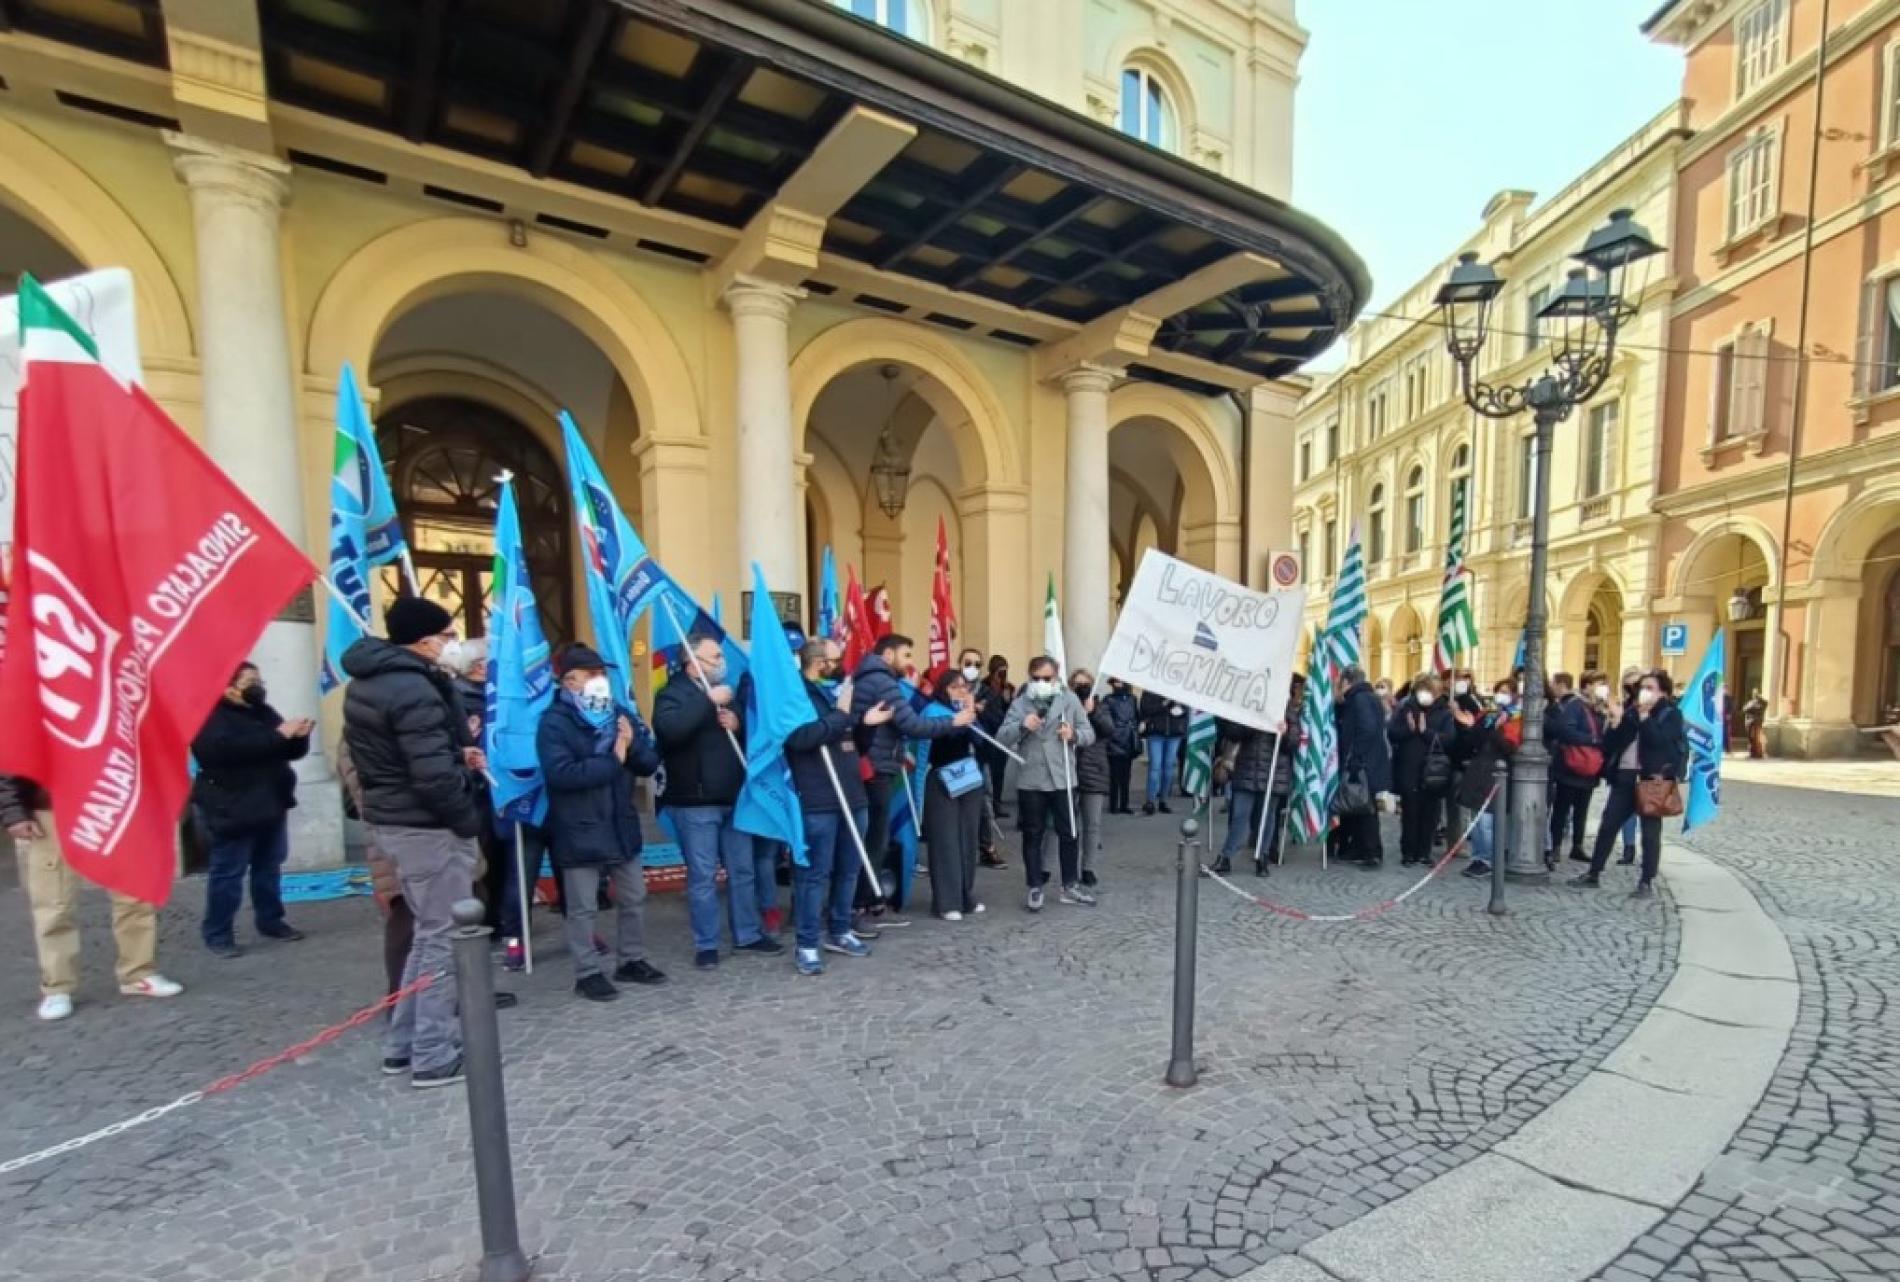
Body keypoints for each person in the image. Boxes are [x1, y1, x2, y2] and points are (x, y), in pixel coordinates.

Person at [342, 596, 486, 1088]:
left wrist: (454, 753)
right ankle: (432, 1052)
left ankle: (404, 1046)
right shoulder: (412, 689)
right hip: (425, 825)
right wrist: (466, 817)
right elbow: (429, 775)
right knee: (445, 939)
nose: (453, 645)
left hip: (400, 819)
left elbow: (412, 755)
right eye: (448, 636)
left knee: (428, 937)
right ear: (425, 641)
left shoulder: (375, 680)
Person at [537, 643, 667, 1001]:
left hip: (619, 821)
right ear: (571, 681)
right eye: (593, 675)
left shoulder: (616, 712)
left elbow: (646, 762)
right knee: (582, 906)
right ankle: (588, 972)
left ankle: (632, 959)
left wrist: (632, 744)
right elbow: (561, 774)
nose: (601, 681)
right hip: (579, 825)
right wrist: (615, 758)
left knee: (634, 896)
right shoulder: (555, 722)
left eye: (602, 675)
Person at [3, 774, 184, 1022]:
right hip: (53, 809)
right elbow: (13, 759)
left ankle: (138, 972)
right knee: (54, 904)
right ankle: (57, 987)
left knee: (135, 895)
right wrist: (15, 812)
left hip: (115, 803)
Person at [655, 633, 782, 968]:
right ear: (692, 663)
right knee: (703, 876)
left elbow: (744, 734)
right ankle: (707, 943)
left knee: (742, 871)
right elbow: (670, 731)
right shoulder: (672, 694)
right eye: (714, 657)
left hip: (734, 797)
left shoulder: (726, 695)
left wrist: (736, 721)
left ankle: (748, 934)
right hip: (695, 802)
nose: (721, 663)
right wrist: (707, 702)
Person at [851, 634, 976, 922]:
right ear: (888, 655)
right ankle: (860, 902)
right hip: (877, 768)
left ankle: (865, 899)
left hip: (880, 763)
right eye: (906, 655)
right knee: (874, 840)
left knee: (874, 838)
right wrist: (952, 722)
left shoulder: (873, 678)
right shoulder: (882, 681)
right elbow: (911, 723)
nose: (910, 663)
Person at [191, 662, 312, 958]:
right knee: (228, 872)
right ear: (228, 686)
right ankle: (218, 932)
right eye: (250, 681)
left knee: (269, 866)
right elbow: (221, 751)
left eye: (259, 679)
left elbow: (284, 749)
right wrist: (279, 736)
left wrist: (299, 737)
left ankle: (271, 920)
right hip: (232, 805)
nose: (258, 686)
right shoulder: (208, 715)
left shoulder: (262, 711)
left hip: (270, 800)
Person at [786, 639, 893, 975]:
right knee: (814, 875)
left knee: (848, 869)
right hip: (819, 796)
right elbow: (802, 738)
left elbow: (852, 743)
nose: (843, 664)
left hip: (851, 791)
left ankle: (840, 928)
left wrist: (865, 725)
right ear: (818, 662)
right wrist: (842, 714)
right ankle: (806, 943)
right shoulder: (796, 694)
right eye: (836, 659)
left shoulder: (838, 692)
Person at [1571, 669, 1687, 898]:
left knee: (1650, 832)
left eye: (1650, 688)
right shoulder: (1632, 712)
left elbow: (1659, 742)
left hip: (1651, 780)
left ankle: (1646, 881)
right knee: (1608, 825)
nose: (1645, 693)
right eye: (1642, 688)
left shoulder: (1671, 714)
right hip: (1625, 777)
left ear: (1662, 692)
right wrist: (1615, 722)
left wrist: (1645, 719)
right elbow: (1610, 745)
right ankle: (1594, 872)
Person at [999, 656, 1097, 910]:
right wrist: (1023, 726)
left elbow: (1089, 734)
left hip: (1063, 777)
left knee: (1069, 833)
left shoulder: (1069, 700)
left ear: (1057, 677)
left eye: (1047, 678)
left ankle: (1069, 885)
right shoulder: (1022, 702)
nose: (1042, 682)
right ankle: (1034, 885)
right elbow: (1002, 737)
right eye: (1037, 678)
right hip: (1031, 779)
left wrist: (1073, 735)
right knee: (1033, 834)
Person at [922, 667, 987, 921]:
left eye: (965, 686)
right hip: (941, 779)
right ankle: (946, 901)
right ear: (943, 690)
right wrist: (959, 719)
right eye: (955, 686)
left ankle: (965, 895)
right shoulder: (933, 711)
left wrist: (971, 715)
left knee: (967, 838)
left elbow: (982, 741)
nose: (961, 690)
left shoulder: (967, 714)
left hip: (967, 777)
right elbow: (941, 736)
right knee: (945, 841)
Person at [1388, 672, 1456, 867]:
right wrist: (1408, 730)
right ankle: (1408, 852)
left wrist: (1426, 733)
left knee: (1430, 813)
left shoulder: (1444, 713)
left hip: (1433, 770)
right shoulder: (1406, 709)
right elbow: (1392, 733)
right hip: (1409, 767)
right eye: (1423, 690)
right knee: (1410, 812)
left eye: (1430, 691)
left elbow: (1449, 740)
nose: (1426, 694)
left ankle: (1424, 852)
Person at [1335, 665, 1393, 868]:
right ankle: (1360, 848)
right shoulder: (1368, 697)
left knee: (1366, 808)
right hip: (1369, 762)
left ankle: (1372, 852)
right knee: (1360, 806)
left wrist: (1355, 756)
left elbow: (1367, 729)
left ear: (1346, 682)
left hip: (1363, 764)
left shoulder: (1359, 699)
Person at [1461, 680, 1519, 880]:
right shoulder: (1487, 714)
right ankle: (1478, 856)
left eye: (1505, 691)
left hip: (1499, 773)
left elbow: (1510, 749)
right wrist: (1470, 727)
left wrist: (1498, 729)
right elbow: (1473, 743)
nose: (1500, 695)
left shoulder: (1517, 718)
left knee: (1488, 819)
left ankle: (1489, 859)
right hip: (1480, 770)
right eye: (1498, 691)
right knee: (1477, 819)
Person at [1546, 671, 1604, 866]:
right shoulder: (1576, 706)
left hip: (1590, 767)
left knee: (1582, 809)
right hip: (1572, 765)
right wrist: (1593, 740)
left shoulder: (1598, 708)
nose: (1601, 688)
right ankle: (1554, 846)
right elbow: (1566, 731)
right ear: (1586, 686)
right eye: (1598, 683)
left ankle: (1577, 845)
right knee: (1562, 808)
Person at [1213, 715, 1280, 877]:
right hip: (1245, 769)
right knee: (1239, 817)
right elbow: (1232, 732)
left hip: (1272, 771)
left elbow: (1292, 742)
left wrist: (1285, 731)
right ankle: (1226, 857)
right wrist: (1253, 724)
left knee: (1267, 819)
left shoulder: (1283, 709)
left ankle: (1262, 857)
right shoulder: (1247, 710)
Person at [959, 646, 1008, 867]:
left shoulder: (989, 693)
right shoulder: (950, 689)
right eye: (967, 663)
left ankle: (987, 847)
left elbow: (997, 722)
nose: (972, 668)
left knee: (984, 803)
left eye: (977, 664)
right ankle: (957, 849)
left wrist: (980, 711)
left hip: (979, 757)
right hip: (954, 757)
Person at [1069, 669, 1115, 889]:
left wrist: (1093, 711)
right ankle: (1052, 866)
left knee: (1092, 824)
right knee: (1064, 823)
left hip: (1093, 771)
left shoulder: (1102, 706)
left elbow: (1109, 729)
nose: (1081, 688)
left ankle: (1088, 868)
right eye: (1077, 684)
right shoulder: (1065, 705)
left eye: (1086, 684)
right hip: (1068, 771)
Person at [1137, 688, 1187, 814]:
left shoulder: (1180, 689)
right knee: (1155, 766)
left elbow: (1185, 710)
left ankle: (1164, 800)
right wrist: (1164, 703)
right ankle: (1151, 801)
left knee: (1168, 767)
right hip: (1156, 732)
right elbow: (1145, 708)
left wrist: (1179, 706)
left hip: (1174, 732)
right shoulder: (1151, 689)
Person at [980, 655, 1016, 817]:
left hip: (1002, 734)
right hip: (988, 733)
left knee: (999, 771)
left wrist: (1008, 699)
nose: (1002, 675)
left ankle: (997, 802)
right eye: (999, 672)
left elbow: (1011, 712)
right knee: (988, 771)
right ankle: (987, 804)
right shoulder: (983, 687)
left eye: (1005, 671)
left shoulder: (1008, 688)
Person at [1100, 678, 1140, 815]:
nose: (1117, 685)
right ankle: (1113, 805)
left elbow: (1136, 716)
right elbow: (1105, 719)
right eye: (1115, 682)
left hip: (1129, 739)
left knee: (1126, 775)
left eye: (1120, 682)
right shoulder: (1108, 699)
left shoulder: (1132, 699)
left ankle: (1124, 804)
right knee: (1114, 775)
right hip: (1114, 739)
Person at [1743, 689, 1768, 759]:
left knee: (1757, 739)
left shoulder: (1762, 703)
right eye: (1754, 694)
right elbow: (1744, 709)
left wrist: (1759, 699)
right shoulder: (1751, 702)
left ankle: (1758, 753)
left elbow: (1766, 703)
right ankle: (1752, 753)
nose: (1755, 695)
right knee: (1751, 738)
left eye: (1756, 694)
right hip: (1750, 722)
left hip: (1757, 723)